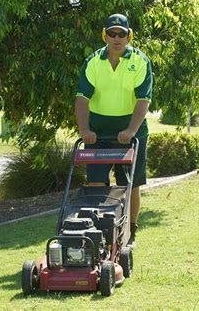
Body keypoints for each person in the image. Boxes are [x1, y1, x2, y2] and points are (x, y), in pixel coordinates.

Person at [75, 13, 153, 246]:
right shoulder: (93, 62)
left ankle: (130, 232)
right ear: (105, 35)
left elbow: (143, 101)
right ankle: (99, 233)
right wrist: (84, 129)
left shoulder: (140, 62)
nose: (116, 38)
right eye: (112, 33)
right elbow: (81, 98)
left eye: (121, 34)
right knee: (96, 184)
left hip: (131, 133)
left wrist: (130, 130)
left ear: (129, 36)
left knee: (130, 184)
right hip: (97, 134)